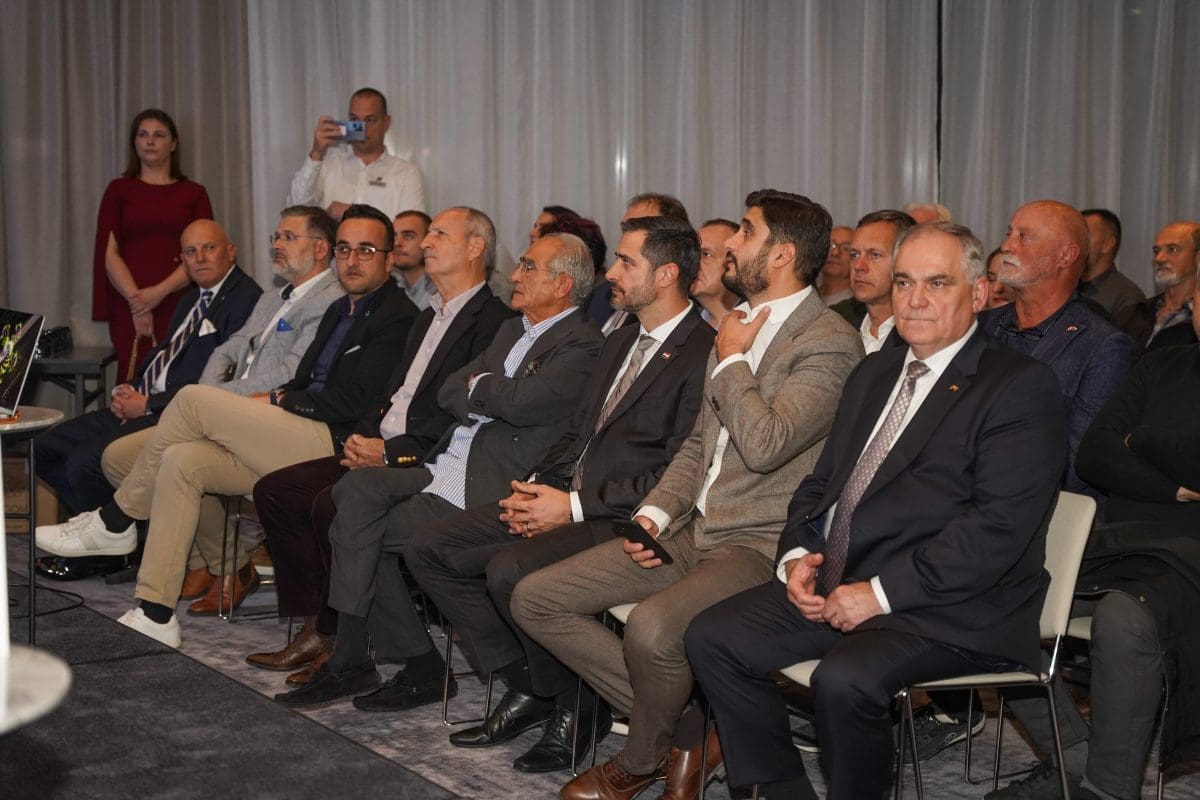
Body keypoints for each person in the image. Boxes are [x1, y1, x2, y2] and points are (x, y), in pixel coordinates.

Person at [685, 221, 1068, 800]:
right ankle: (779, 791)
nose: (915, 299)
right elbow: (821, 483)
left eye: (937, 283)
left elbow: (997, 530)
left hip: (950, 605)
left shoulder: (1019, 387)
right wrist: (796, 555)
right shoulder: (875, 372)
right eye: (905, 282)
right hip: (846, 579)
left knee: (845, 679)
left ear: (979, 294)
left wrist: (880, 594)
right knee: (713, 637)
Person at [511, 189, 863, 800]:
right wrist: (653, 515)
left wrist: (732, 361)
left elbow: (766, 444)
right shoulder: (738, 322)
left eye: (745, 232)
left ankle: (642, 758)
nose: (729, 244)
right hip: (690, 526)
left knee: (651, 630)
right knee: (536, 599)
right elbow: (701, 445)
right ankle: (689, 730)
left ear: (783, 254)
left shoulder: (827, 341)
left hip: (758, 542)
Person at [405, 215, 713, 773]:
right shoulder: (624, 336)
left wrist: (569, 507)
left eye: (626, 262)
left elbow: (676, 471)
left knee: (508, 570)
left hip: (625, 515)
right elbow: (577, 433)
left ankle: (576, 706)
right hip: (568, 496)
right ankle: (531, 685)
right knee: (430, 546)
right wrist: (538, 488)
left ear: (667, 274)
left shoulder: (702, 352)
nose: (610, 272)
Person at [35, 204, 420, 646]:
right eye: (345, 249)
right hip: (292, 426)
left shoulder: (396, 316)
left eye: (366, 250)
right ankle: (155, 612)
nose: (352, 260)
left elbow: (354, 401)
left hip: (333, 441)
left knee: (192, 400)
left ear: (390, 258)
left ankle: (115, 520)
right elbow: (297, 376)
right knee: (180, 460)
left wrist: (277, 400)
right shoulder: (341, 310)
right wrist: (273, 402)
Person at [271, 232, 603, 709]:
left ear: (563, 284)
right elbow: (450, 391)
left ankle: (383, 662)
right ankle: (363, 657)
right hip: (443, 464)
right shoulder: (513, 329)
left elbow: (524, 404)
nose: (515, 275)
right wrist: (488, 392)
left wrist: (481, 387)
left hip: (486, 483)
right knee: (353, 493)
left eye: (529, 267)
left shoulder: (583, 344)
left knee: (362, 533)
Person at [244, 206, 515, 683]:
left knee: (334, 505)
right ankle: (322, 626)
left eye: (439, 234)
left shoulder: (494, 322)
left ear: (475, 248)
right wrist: (363, 436)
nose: (425, 242)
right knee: (278, 492)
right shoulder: (428, 316)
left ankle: (342, 640)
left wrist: (391, 453)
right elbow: (392, 395)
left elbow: (462, 416)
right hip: (381, 444)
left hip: (424, 458)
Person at [988, 274, 1200, 800]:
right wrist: (1174, 486)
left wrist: (1141, 440)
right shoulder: (1161, 364)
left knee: (1125, 616)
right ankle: (1070, 752)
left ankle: (1108, 790)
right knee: (982, 591)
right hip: (1125, 544)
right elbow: (1095, 454)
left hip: (1189, 558)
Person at [86, 206, 346, 596]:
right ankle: (221, 565)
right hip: (229, 410)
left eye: (289, 237)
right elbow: (229, 349)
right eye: (276, 237)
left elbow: (288, 374)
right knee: (119, 458)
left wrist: (213, 400)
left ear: (321, 248)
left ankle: (118, 525)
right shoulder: (272, 297)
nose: (277, 244)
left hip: (277, 421)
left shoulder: (331, 301)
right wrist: (212, 399)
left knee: (181, 442)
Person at [37, 220, 260, 516]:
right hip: (144, 403)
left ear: (230, 251)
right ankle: (116, 526)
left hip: (177, 414)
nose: (200, 258)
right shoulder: (192, 299)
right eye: (190, 252)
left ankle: (113, 533)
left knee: (85, 461)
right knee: (45, 448)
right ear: (183, 261)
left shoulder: (247, 300)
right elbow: (164, 356)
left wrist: (147, 404)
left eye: (209, 248)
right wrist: (128, 389)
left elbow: (221, 382)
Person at [94, 109, 214, 378]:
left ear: (173, 144)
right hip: (128, 302)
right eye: (143, 134)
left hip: (179, 299)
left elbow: (203, 253)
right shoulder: (118, 190)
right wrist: (138, 303)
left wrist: (158, 293)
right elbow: (109, 252)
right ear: (134, 142)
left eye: (159, 135)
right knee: (134, 376)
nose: (150, 141)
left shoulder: (194, 193)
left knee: (177, 377)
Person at [287, 87, 424, 221]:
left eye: (369, 120)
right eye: (354, 120)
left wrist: (352, 214)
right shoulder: (328, 166)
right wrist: (317, 152)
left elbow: (411, 229)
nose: (361, 128)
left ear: (386, 123)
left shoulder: (406, 173)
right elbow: (296, 210)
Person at [829, 209, 917, 352]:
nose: (858, 266)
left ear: (906, 260)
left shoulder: (922, 332)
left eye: (874, 255)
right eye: (854, 255)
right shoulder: (835, 320)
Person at [1123, 221, 1199, 350]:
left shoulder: (1196, 315)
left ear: (1198, 256)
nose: (1159, 258)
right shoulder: (1135, 312)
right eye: (1156, 251)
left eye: (1172, 249)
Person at [1078, 208, 1144, 325]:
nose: (1076, 241)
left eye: (1085, 235)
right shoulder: (1067, 286)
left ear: (1108, 244)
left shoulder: (1127, 296)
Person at [692, 218, 740, 328]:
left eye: (706, 254)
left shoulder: (756, 324)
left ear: (734, 263)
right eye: (693, 253)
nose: (693, 261)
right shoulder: (684, 325)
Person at [390, 210, 435, 309]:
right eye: (394, 236)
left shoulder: (441, 289)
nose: (397, 243)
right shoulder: (389, 284)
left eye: (408, 236)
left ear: (427, 241)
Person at [817, 225, 854, 304]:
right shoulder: (808, 296)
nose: (835, 253)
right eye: (831, 245)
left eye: (846, 248)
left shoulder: (858, 305)